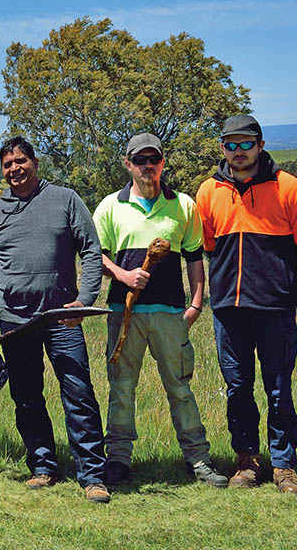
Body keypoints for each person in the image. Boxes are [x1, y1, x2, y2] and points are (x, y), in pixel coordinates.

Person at [0, 136, 110, 504]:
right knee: (27, 397)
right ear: (2, 171)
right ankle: (43, 466)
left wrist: (83, 301)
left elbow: (92, 250)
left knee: (79, 394)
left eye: (21, 161)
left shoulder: (65, 199)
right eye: (7, 164)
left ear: (35, 163)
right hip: (15, 321)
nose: (14, 169)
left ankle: (93, 475)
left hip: (61, 318)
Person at [91, 133, 227, 488]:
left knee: (180, 388)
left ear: (162, 163)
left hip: (170, 313)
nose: (147, 166)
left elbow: (196, 258)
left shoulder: (183, 206)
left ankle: (198, 460)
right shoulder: (109, 207)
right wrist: (122, 274)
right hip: (124, 315)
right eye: (140, 160)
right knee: (121, 388)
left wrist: (196, 303)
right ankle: (118, 460)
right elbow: (95, 255)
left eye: (154, 159)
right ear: (128, 164)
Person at [196, 115, 297, 495]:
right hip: (229, 310)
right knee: (237, 389)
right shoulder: (208, 192)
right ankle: (246, 461)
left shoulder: (290, 189)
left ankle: (284, 466)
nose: (237, 152)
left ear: (260, 145)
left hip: (275, 309)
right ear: (223, 149)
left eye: (245, 144)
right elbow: (209, 247)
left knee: (279, 389)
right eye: (230, 145)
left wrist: (279, 284)